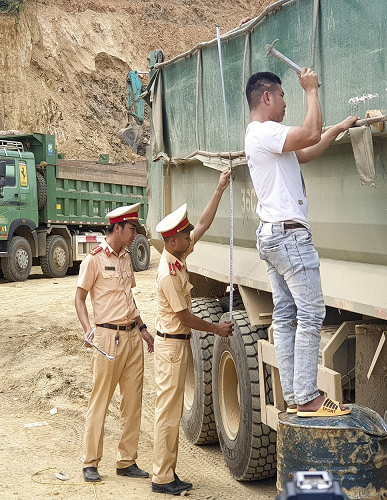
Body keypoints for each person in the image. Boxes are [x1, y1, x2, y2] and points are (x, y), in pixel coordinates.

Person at [244, 69, 357, 418]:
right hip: (289, 235)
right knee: (310, 313)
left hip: (273, 235)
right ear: (267, 97)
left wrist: (336, 130)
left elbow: (306, 149)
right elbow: (308, 132)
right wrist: (310, 90)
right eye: (281, 96)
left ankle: (295, 395)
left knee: (287, 315)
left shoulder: (268, 139)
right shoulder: (265, 132)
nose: (285, 102)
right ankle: (308, 396)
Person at [151, 170, 234, 495]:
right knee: (168, 415)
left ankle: (167, 474)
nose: (190, 238)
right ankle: (162, 478)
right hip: (171, 346)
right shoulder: (169, 273)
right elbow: (185, 317)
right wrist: (217, 328)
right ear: (173, 241)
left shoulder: (178, 254)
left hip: (176, 346)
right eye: (184, 236)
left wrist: (220, 188)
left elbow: (203, 224)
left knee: (170, 414)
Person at [74, 202, 156, 483]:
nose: (135, 234)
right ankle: (90, 462)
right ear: (117, 228)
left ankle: (126, 461)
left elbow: (128, 299)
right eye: (132, 229)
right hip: (108, 338)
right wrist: (88, 329)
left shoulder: (126, 258)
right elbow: (79, 298)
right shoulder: (94, 259)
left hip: (133, 336)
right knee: (101, 400)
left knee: (133, 402)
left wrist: (143, 328)